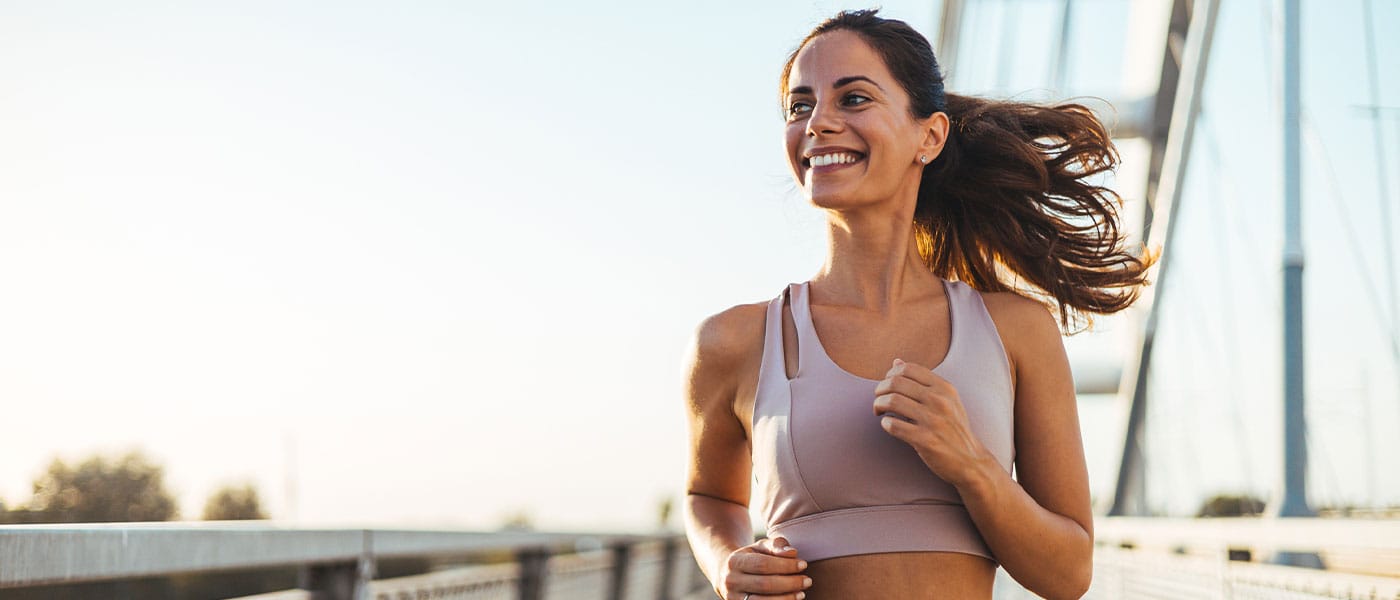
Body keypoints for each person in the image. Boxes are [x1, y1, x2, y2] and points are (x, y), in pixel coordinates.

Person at [681, 9, 1152, 600]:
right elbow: (709, 497)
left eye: (852, 99)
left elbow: (1068, 575)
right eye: (799, 106)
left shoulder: (1015, 332)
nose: (818, 122)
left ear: (928, 136)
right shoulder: (734, 341)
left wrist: (971, 464)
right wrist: (726, 560)